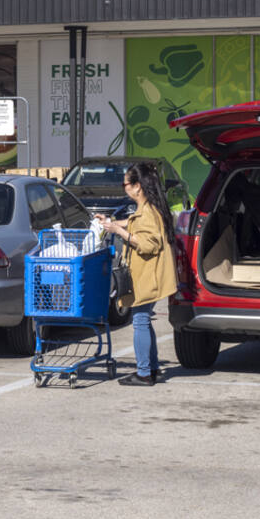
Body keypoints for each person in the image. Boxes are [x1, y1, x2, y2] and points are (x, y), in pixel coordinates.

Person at [94, 160, 177, 387]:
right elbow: (135, 224)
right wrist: (111, 223)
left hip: (148, 276)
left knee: (139, 320)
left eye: (125, 185)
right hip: (149, 274)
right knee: (143, 320)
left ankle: (143, 373)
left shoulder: (148, 211)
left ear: (137, 186)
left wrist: (118, 231)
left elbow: (148, 244)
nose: (125, 189)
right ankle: (152, 368)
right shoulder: (148, 208)